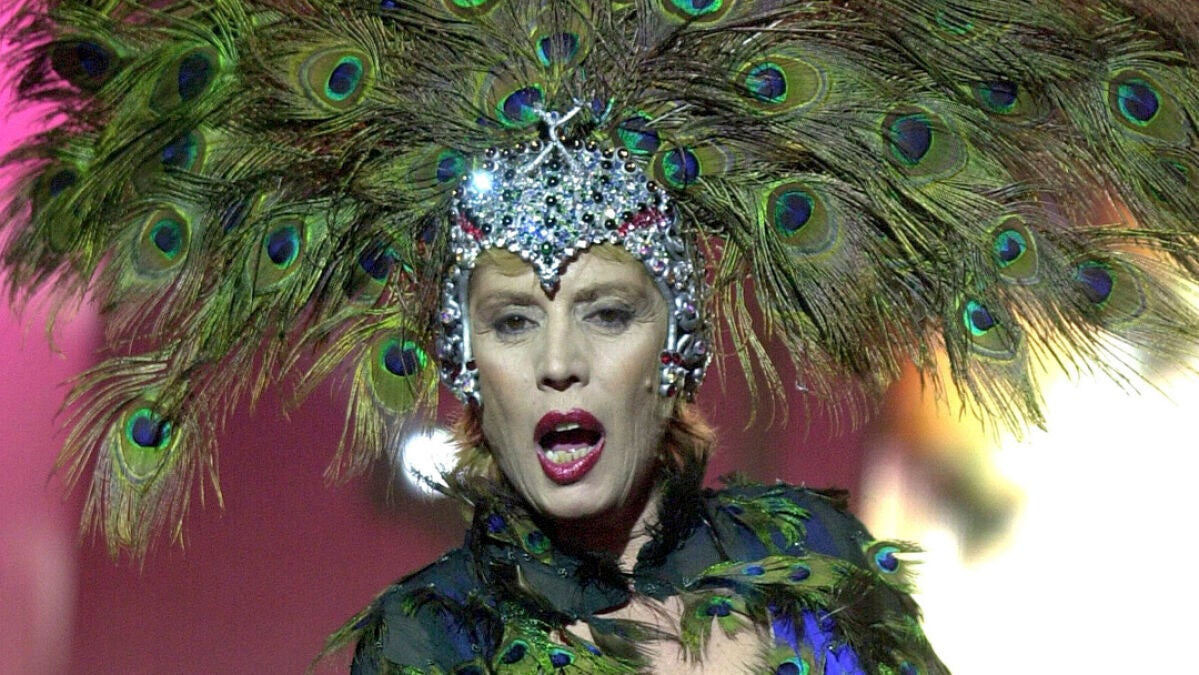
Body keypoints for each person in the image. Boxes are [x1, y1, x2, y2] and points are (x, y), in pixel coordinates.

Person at [5, 1, 1199, 673]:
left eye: (608, 312)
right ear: (465, 363)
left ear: (674, 348)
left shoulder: (823, 577)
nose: (559, 362)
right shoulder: (427, 644)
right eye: (512, 321)